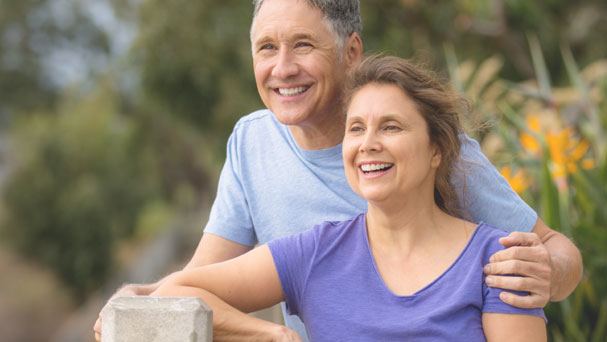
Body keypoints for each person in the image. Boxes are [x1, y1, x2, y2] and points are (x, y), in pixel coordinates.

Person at [94, 0, 581, 340]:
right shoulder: (253, 145)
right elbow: (197, 284)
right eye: (266, 48)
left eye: (302, 45)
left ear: (350, 52)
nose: (282, 68)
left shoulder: (436, 152)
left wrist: (546, 273)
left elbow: (556, 251)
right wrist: (142, 298)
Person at [151, 54, 548, 341]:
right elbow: (174, 291)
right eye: (356, 129)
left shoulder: (498, 260)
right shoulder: (314, 253)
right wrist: (269, 335)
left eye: (390, 127)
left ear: (436, 150)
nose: (368, 144)